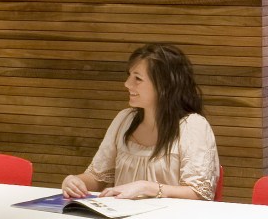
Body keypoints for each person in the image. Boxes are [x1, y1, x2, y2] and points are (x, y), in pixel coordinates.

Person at [61, 43, 221, 202]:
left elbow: (200, 194)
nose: (127, 84)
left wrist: (146, 187)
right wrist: (76, 181)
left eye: (137, 78)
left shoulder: (193, 126)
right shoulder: (124, 119)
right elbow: (98, 177)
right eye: (129, 75)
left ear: (164, 86)